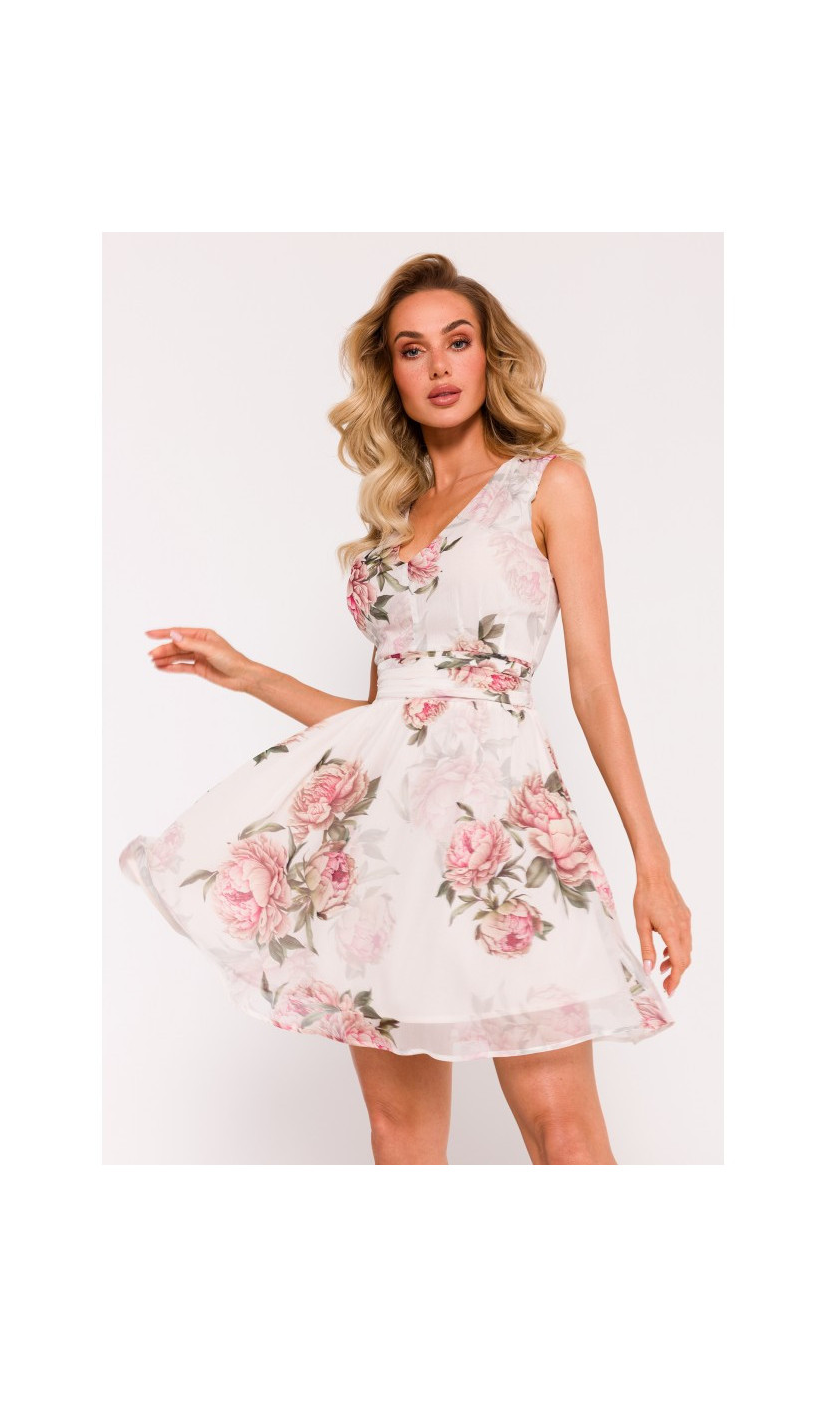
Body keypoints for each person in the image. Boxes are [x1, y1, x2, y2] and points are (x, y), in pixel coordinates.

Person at [120, 251, 692, 1165]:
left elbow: (594, 685)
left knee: (564, 1130)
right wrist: (250, 673)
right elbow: (385, 722)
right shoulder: (389, 529)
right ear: (390, 372)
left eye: (457, 342)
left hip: (503, 839)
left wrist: (651, 865)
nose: (438, 366)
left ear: (490, 355)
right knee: (398, 1132)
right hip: (386, 850)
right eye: (412, 349)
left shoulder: (549, 484)